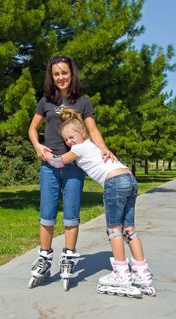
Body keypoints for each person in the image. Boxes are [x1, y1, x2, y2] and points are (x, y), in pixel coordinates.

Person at [45, 108, 154, 295]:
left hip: (114, 182)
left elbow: (59, 162)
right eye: (66, 140)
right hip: (129, 178)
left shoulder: (79, 148)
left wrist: (45, 153)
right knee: (129, 229)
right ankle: (141, 271)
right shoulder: (93, 146)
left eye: (72, 137)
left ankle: (121, 272)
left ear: (82, 133)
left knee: (114, 229)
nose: (69, 142)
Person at [28, 55, 115, 287]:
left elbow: (93, 130)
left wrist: (105, 149)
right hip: (49, 166)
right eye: (56, 73)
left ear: (72, 73)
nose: (61, 77)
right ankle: (45, 258)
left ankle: (68, 256)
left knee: (71, 215)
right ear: (52, 76)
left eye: (64, 72)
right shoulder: (46, 101)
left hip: (75, 167)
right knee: (46, 214)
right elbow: (32, 129)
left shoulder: (83, 101)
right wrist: (38, 146)